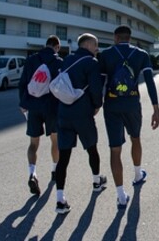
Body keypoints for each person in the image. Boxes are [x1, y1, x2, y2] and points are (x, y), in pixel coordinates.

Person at [99, 25, 159, 210]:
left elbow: (100, 83)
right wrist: (156, 108)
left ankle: (120, 195)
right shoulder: (141, 54)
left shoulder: (105, 55)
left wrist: (95, 105)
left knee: (115, 149)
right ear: (129, 38)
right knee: (136, 138)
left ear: (115, 38)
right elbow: (150, 82)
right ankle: (137, 174)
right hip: (132, 104)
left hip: (111, 104)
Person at [54, 33, 107, 214]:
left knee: (64, 157)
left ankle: (60, 199)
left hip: (63, 114)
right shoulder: (91, 63)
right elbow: (95, 88)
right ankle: (96, 181)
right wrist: (97, 106)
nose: (97, 49)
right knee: (92, 148)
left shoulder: (67, 59)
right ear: (88, 44)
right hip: (83, 114)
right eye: (95, 45)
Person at [18, 35, 63, 196]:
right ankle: (54, 170)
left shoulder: (31, 60)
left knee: (33, 144)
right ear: (57, 47)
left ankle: (33, 173)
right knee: (55, 140)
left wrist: (22, 103)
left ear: (46, 45)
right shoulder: (58, 62)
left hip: (33, 106)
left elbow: (22, 83)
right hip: (51, 107)